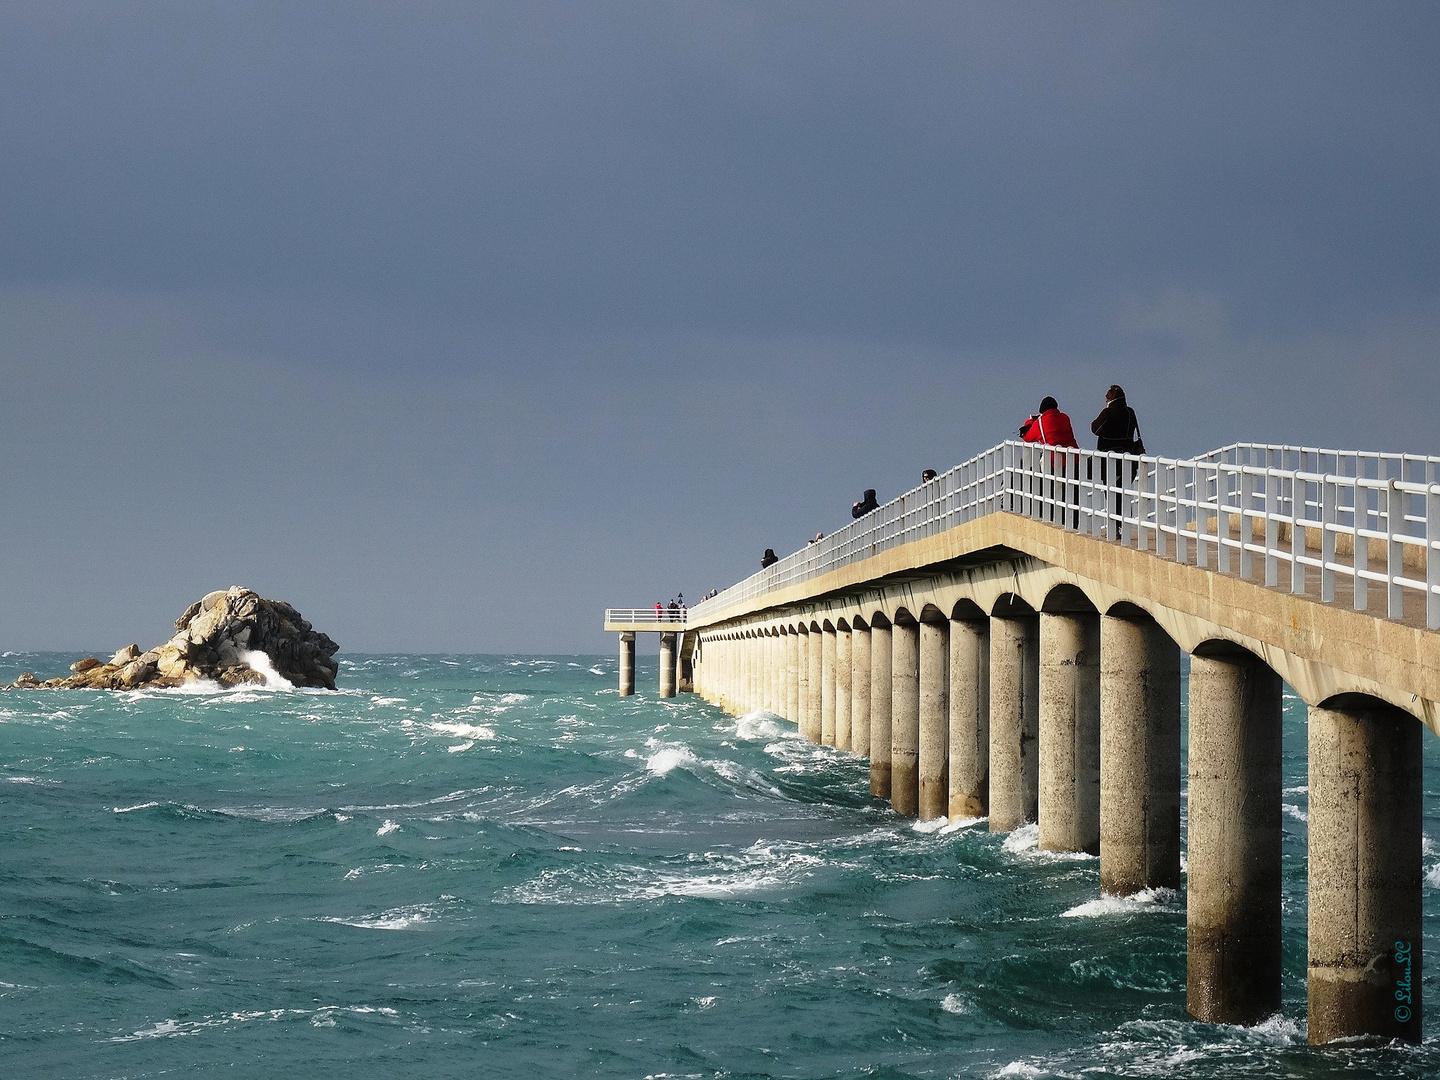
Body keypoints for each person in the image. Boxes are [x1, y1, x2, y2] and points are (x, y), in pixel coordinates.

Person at [1019, 397, 1080, 526]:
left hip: (1054, 462)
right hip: (1073, 459)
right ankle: (1074, 523)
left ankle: (1056, 520)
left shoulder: (1040, 422)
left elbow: (1027, 437)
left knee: (1053, 493)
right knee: (1072, 494)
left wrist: (1030, 421)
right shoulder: (1065, 417)